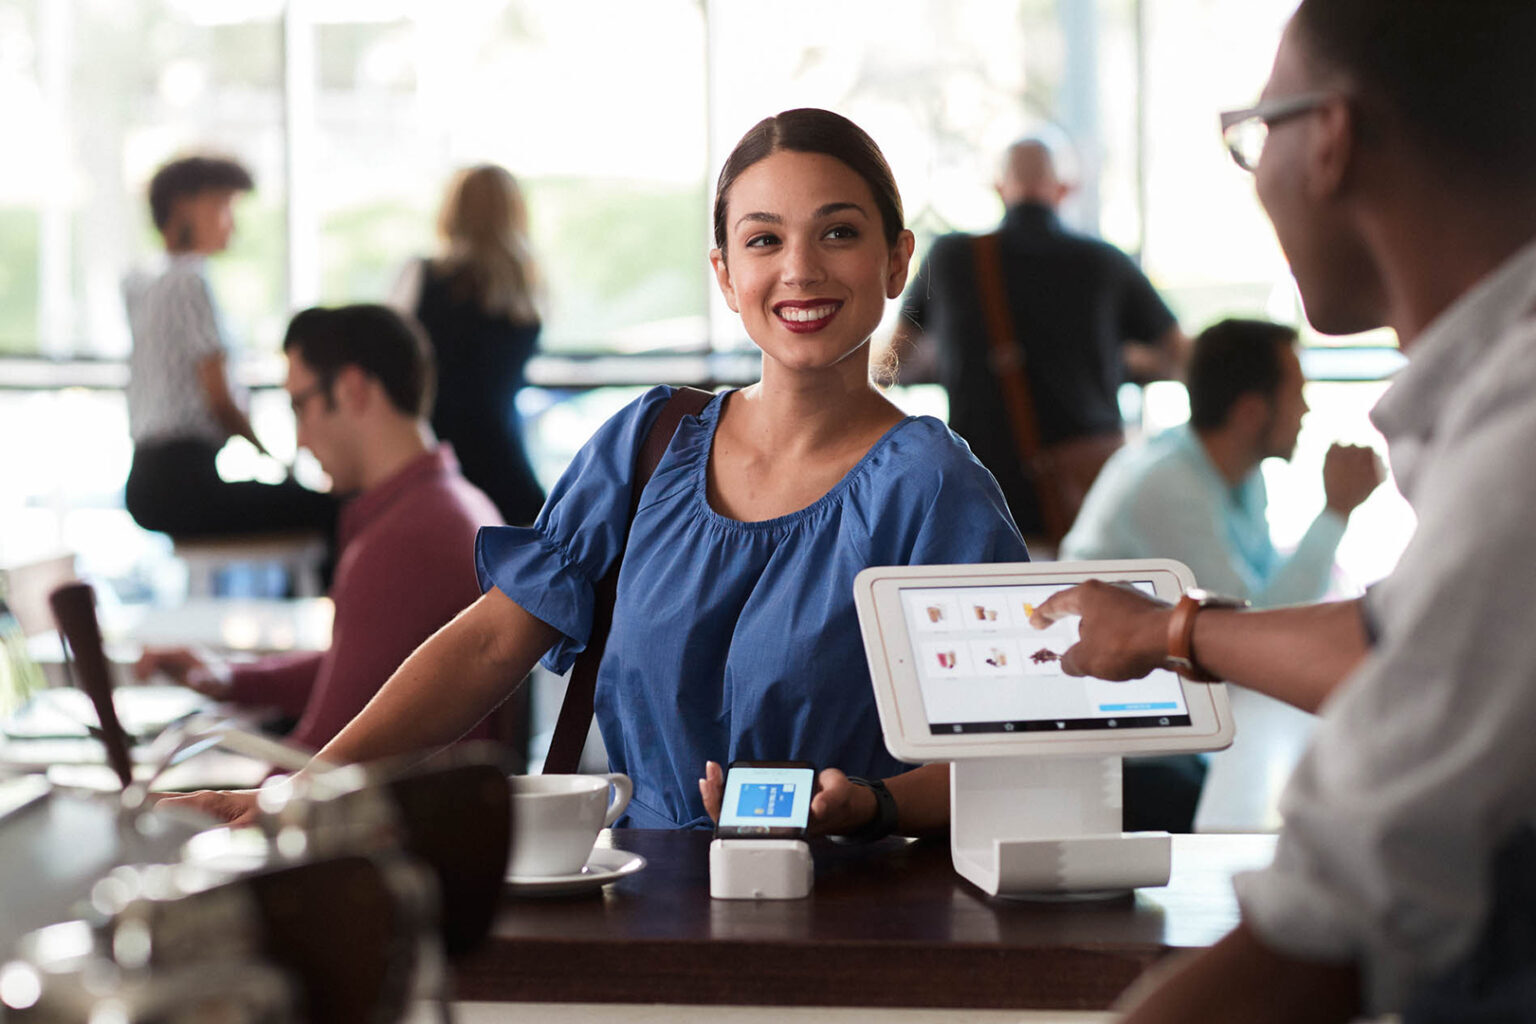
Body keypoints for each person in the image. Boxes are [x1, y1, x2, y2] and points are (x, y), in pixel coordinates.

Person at [165, 108, 1031, 838]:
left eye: (838, 232)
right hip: (636, 915)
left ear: (895, 261)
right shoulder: (650, 443)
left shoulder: (933, 490)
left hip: (853, 933)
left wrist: (872, 807)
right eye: (763, 239)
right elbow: (490, 640)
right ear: (727, 276)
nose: (799, 269)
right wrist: (301, 792)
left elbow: (1013, 760)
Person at [1031, 2, 1536, 1020]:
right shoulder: (1486, 413)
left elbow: (1328, 924)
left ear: (1332, 139)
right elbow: (1404, 636)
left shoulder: (1517, 440)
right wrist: (1172, 628)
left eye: (1256, 134)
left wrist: (1184, 625)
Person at [135, 305, 502, 753]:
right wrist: (228, 679)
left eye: (299, 405)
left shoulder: (404, 537)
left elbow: (318, 764)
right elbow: (366, 670)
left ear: (350, 390)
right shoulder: (456, 503)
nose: (300, 440)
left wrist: (192, 801)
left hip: (395, 818)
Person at [889, 136, 1188, 539]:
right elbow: (1180, 355)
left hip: (984, 486)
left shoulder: (951, 257)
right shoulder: (1104, 261)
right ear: (1063, 189)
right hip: (1086, 492)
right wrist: (1120, 360)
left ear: (999, 188)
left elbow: (894, 360)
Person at [1061, 318, 1383, 607]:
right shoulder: (1166, 485)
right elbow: (1252, 624)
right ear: (1250, 413)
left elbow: (1267, 585)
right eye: (1298, 396)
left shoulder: (1243, 473)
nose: (1306, 412)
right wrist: (1336, 511)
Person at [122, 155, 335, 542]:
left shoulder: (140, 281)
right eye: (223, 206)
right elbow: (218, 399)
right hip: (181, 481)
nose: (231, 223)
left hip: (148, 478)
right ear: (184, 205)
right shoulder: (190, 282)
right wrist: (271, 457)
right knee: (329, 509)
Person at [390, 164, 547, 526]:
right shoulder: (527, 290)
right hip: (505, 465)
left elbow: (386, 358)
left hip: (434, 462)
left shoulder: (421, 275)